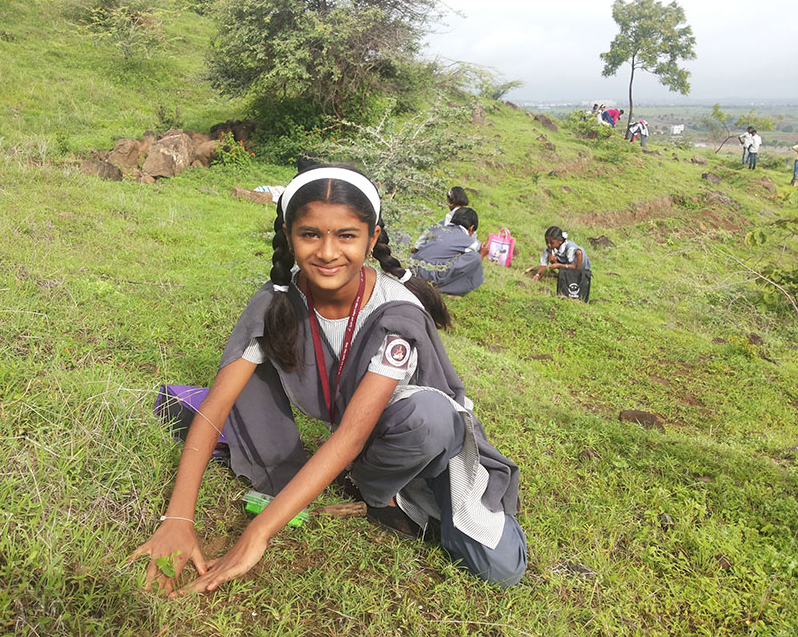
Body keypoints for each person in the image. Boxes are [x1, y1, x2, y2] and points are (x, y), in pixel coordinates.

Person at [131, 166, 527, 595]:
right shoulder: (276, 302)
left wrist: (256, 534)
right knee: (223, 398)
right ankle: (380, 492)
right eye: (310, 235)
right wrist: (178, 519)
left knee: (500, 567)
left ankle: (389, 493)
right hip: (364, 440)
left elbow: (352, 437)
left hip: (426, 442)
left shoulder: (396, 313)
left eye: (346, 236)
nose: (327, 252)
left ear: (372, 238)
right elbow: (217, 407)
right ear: (288, 235)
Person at [410, 207, 485, 296]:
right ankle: (448, 289)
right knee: (475, 257)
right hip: (429, 276)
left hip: (413, 268)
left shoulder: (437, 227)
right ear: (471, 228)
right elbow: (477, 252)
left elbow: (417, 245)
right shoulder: (470, 242)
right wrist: (482, 254)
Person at [532, 226, 591, 302]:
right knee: (551, 256)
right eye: (547, 242)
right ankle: (565, 275)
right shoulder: (550, 249)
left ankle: (574, 277)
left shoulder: (570, 248)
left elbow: (574, 265)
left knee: (579, 253)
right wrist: (538, 274)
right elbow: (543, 263)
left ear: (560, 241)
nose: (549, 245)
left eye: (551, 242)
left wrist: (559, 265)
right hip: (567, 264)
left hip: (579, 266)